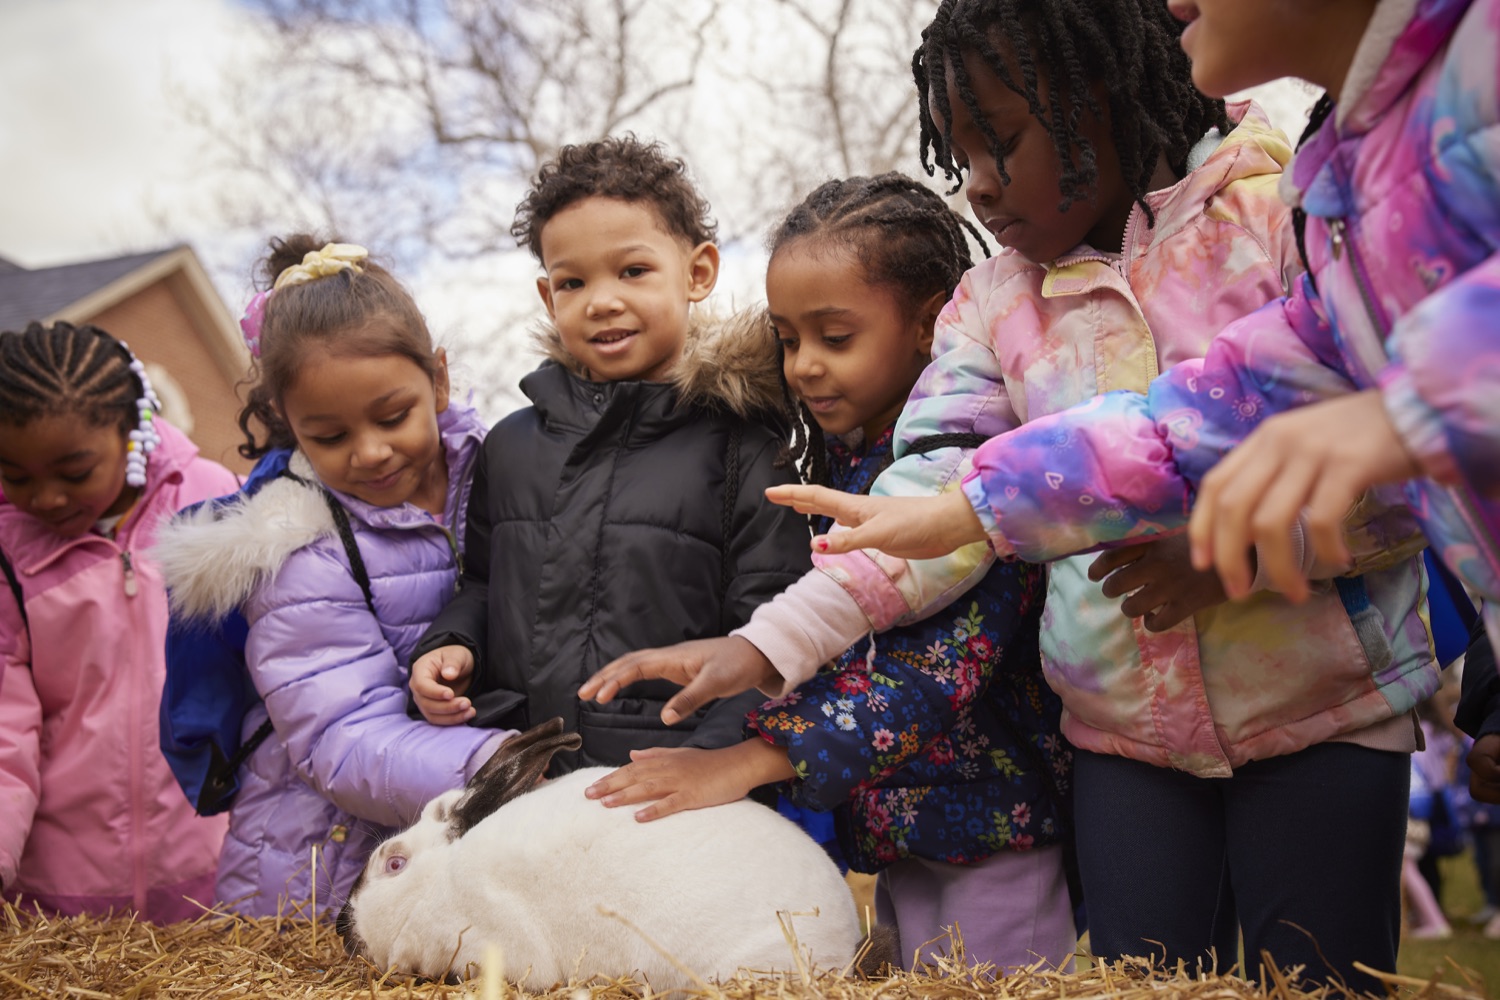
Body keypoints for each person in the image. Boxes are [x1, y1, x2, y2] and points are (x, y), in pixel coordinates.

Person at [584, 0, 1436, 991]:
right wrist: (766, 645)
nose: (978, 185)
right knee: (1140, 984)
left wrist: (1244, 545)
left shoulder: (1285, 215)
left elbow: (1406, 454)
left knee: (1325, 980)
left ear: (1109, 93)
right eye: (960, 156)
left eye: (1001, 142)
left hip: (1327, 711)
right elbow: (933, 503)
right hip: (1123, 744)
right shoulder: (992, 305)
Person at [584, 174, 1075, 973]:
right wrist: (743, 654)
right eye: (787, 340)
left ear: (929, 326)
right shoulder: (845, 465)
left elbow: (935, 670)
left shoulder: (968, 471)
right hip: (903, 826)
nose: (804, 366)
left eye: (835, 338)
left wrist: (745, 760)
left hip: (996, 828)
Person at [408, 136, 812, 772]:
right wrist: (454, 643)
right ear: (549, 299)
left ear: (698, 273)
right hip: (522, 776)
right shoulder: (510, 446)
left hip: (673, 783)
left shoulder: (745, 450)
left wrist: (711, 765)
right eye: (573, 282)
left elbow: (774, 633)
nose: (601, 301)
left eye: (632, 271)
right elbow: (483, 584)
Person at [153, 238, 509, 917]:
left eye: (393, 417)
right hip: (318, 878)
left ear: (437, 380)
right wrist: (497, 766)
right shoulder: (298, 548)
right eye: (330, 436)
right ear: (288, 424)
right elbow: (338, 740)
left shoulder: (506, 473)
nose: (370, 452)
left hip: (453, 853)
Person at [0, 320, 237, 921]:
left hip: (210, 882)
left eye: (74, 472)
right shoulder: (7, 552)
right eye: (16, 476)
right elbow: (5, 732)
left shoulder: (216, 503)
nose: (45, 498)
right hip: (57, 902)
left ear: (134, 430)